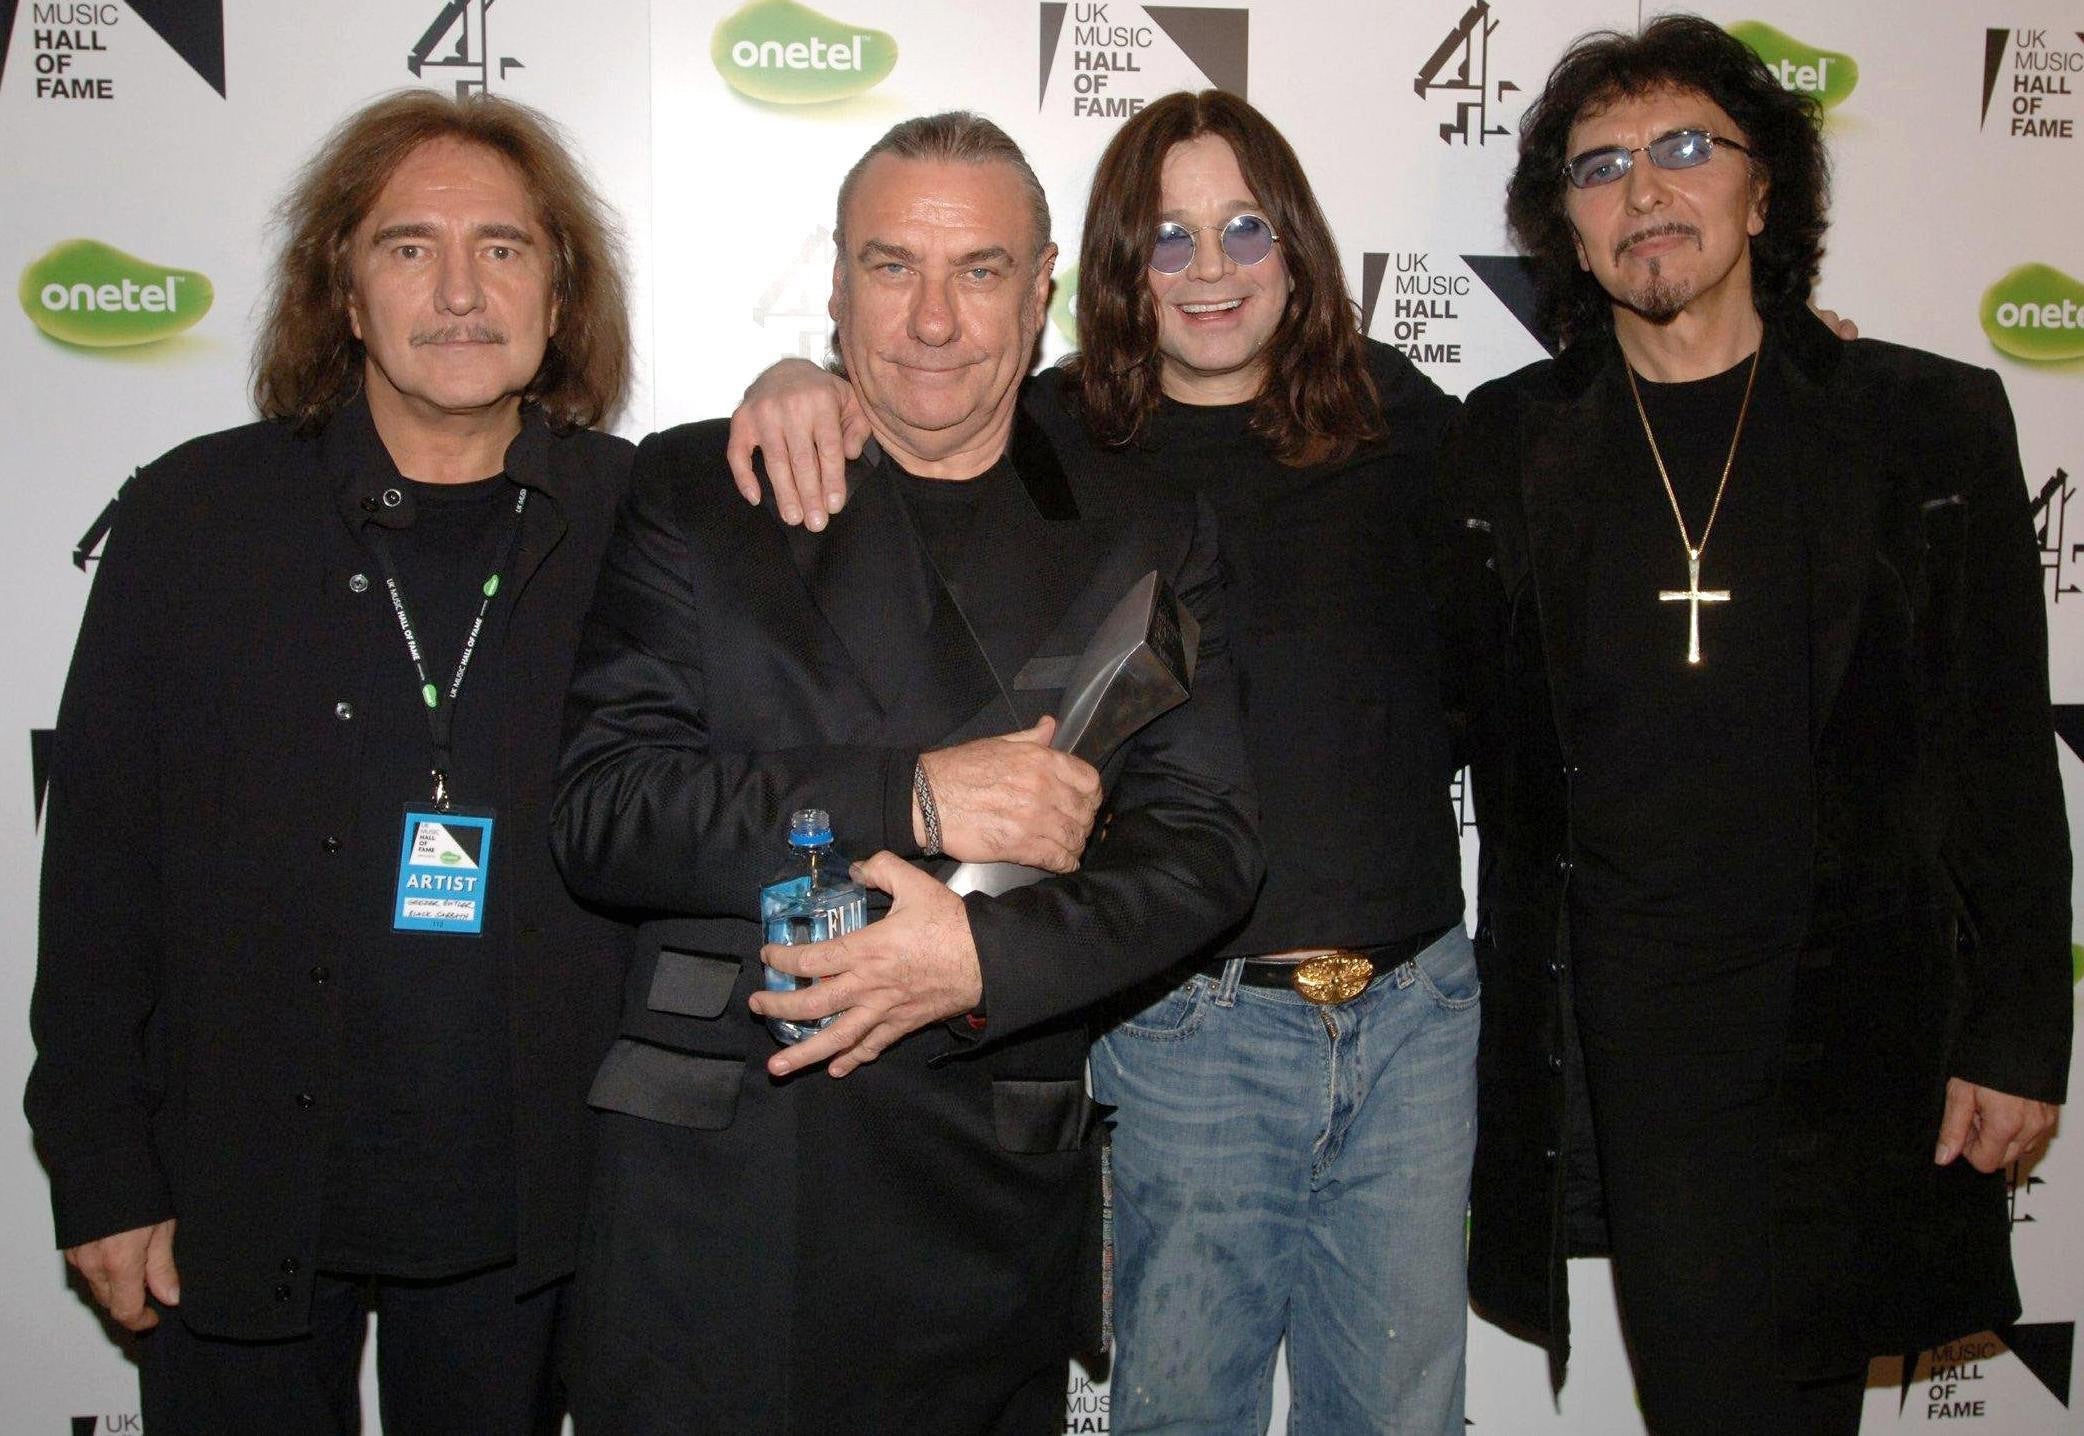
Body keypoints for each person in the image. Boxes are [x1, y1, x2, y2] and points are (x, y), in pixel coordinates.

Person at [727, 90, 1476, 1434]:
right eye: (1165, 236)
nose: (1206, 269)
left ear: (1296, 246)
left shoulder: (1406, 427)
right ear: (1115, 270)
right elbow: (906, 420)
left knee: (1404, 1419)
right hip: (1188, 1026)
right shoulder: (1057, 437)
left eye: (1244, 227)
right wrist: (798, 382)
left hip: (1416, 1021)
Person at [550, 111, 1261, 1435]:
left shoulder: (1145, 525)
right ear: (832, 282)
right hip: (721, 1205)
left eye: (980, 271)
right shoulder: (703, 488)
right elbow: (605, 813)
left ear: (1042, 286)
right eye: (892, 267)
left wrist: (986, 964)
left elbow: (1207, 849)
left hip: (980, 1204)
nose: (934, 321)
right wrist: (910, 794)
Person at [1436, 16, 2070, 1433]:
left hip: (1857, 1029)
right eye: (1599, 168)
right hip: (1632, 1045)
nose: (1644, 192)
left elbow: (2001, 756)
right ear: (1569, 230)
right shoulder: (1504, 441)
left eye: (1683, 149)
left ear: (1762, 189)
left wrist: (2021, 1035)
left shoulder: (1926, 426)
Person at [26, 90, 635, 1434]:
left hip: (530, 1215)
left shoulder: (639, 524)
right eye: (409, 247)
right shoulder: (195, 519)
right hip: (241, 1186)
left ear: (559, 289)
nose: (462, 291)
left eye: (505, 247)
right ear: (345, 294)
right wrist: (103, 1170)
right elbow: (99, 877)